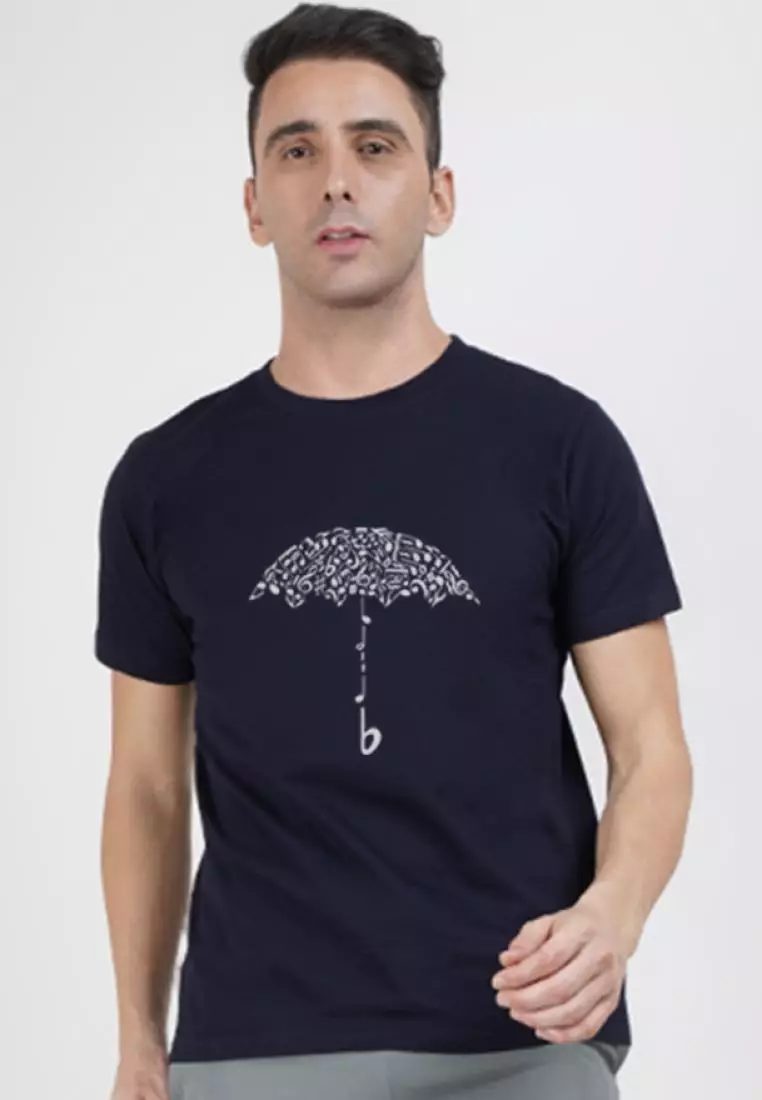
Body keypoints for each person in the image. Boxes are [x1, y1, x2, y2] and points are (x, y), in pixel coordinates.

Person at [95, 5, 693, 1099]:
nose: (336, 182)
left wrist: (613, 916)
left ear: (439, 193)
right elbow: (144, 786)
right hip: (254, 1048)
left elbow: (651, 743)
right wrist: (140, 1039)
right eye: (297, 151)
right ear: (254, 205)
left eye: (374, 146)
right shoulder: (165, 478)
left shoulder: (559, 445)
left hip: (522, 1034)